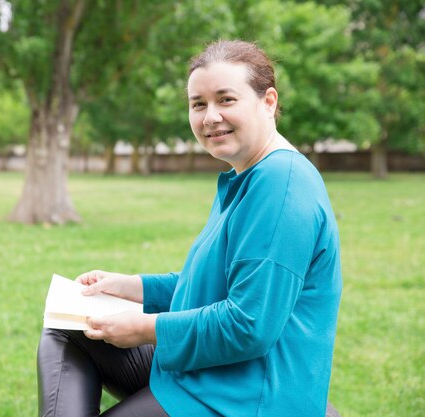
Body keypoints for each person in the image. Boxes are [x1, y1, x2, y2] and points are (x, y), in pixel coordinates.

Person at [37, 39, 342, 417]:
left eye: (226, 99)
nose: (210, 116)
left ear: (269, 102)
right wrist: (131, 286)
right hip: (215, 375)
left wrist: (147, 328)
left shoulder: (282, 183)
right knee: (67, 329)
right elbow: (218, 284)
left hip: (249, 397)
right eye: (198, 104)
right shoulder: (247, 176)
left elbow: (248, 326)